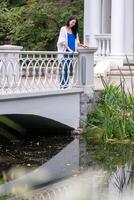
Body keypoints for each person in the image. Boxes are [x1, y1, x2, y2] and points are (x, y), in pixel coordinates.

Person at [57, 16, 88, 88]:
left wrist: (83, 45)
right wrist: (68, 49)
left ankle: (66, 85)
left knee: (68, 69)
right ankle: (62, 86)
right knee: (64, 69)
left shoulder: (74, 31)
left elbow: (77, 42)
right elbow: (63, 41)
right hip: (65, 52)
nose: (73, 24)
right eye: (72, 22)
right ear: (69, 21)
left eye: (75, 23)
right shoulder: (63, 29)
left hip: (72, 54)